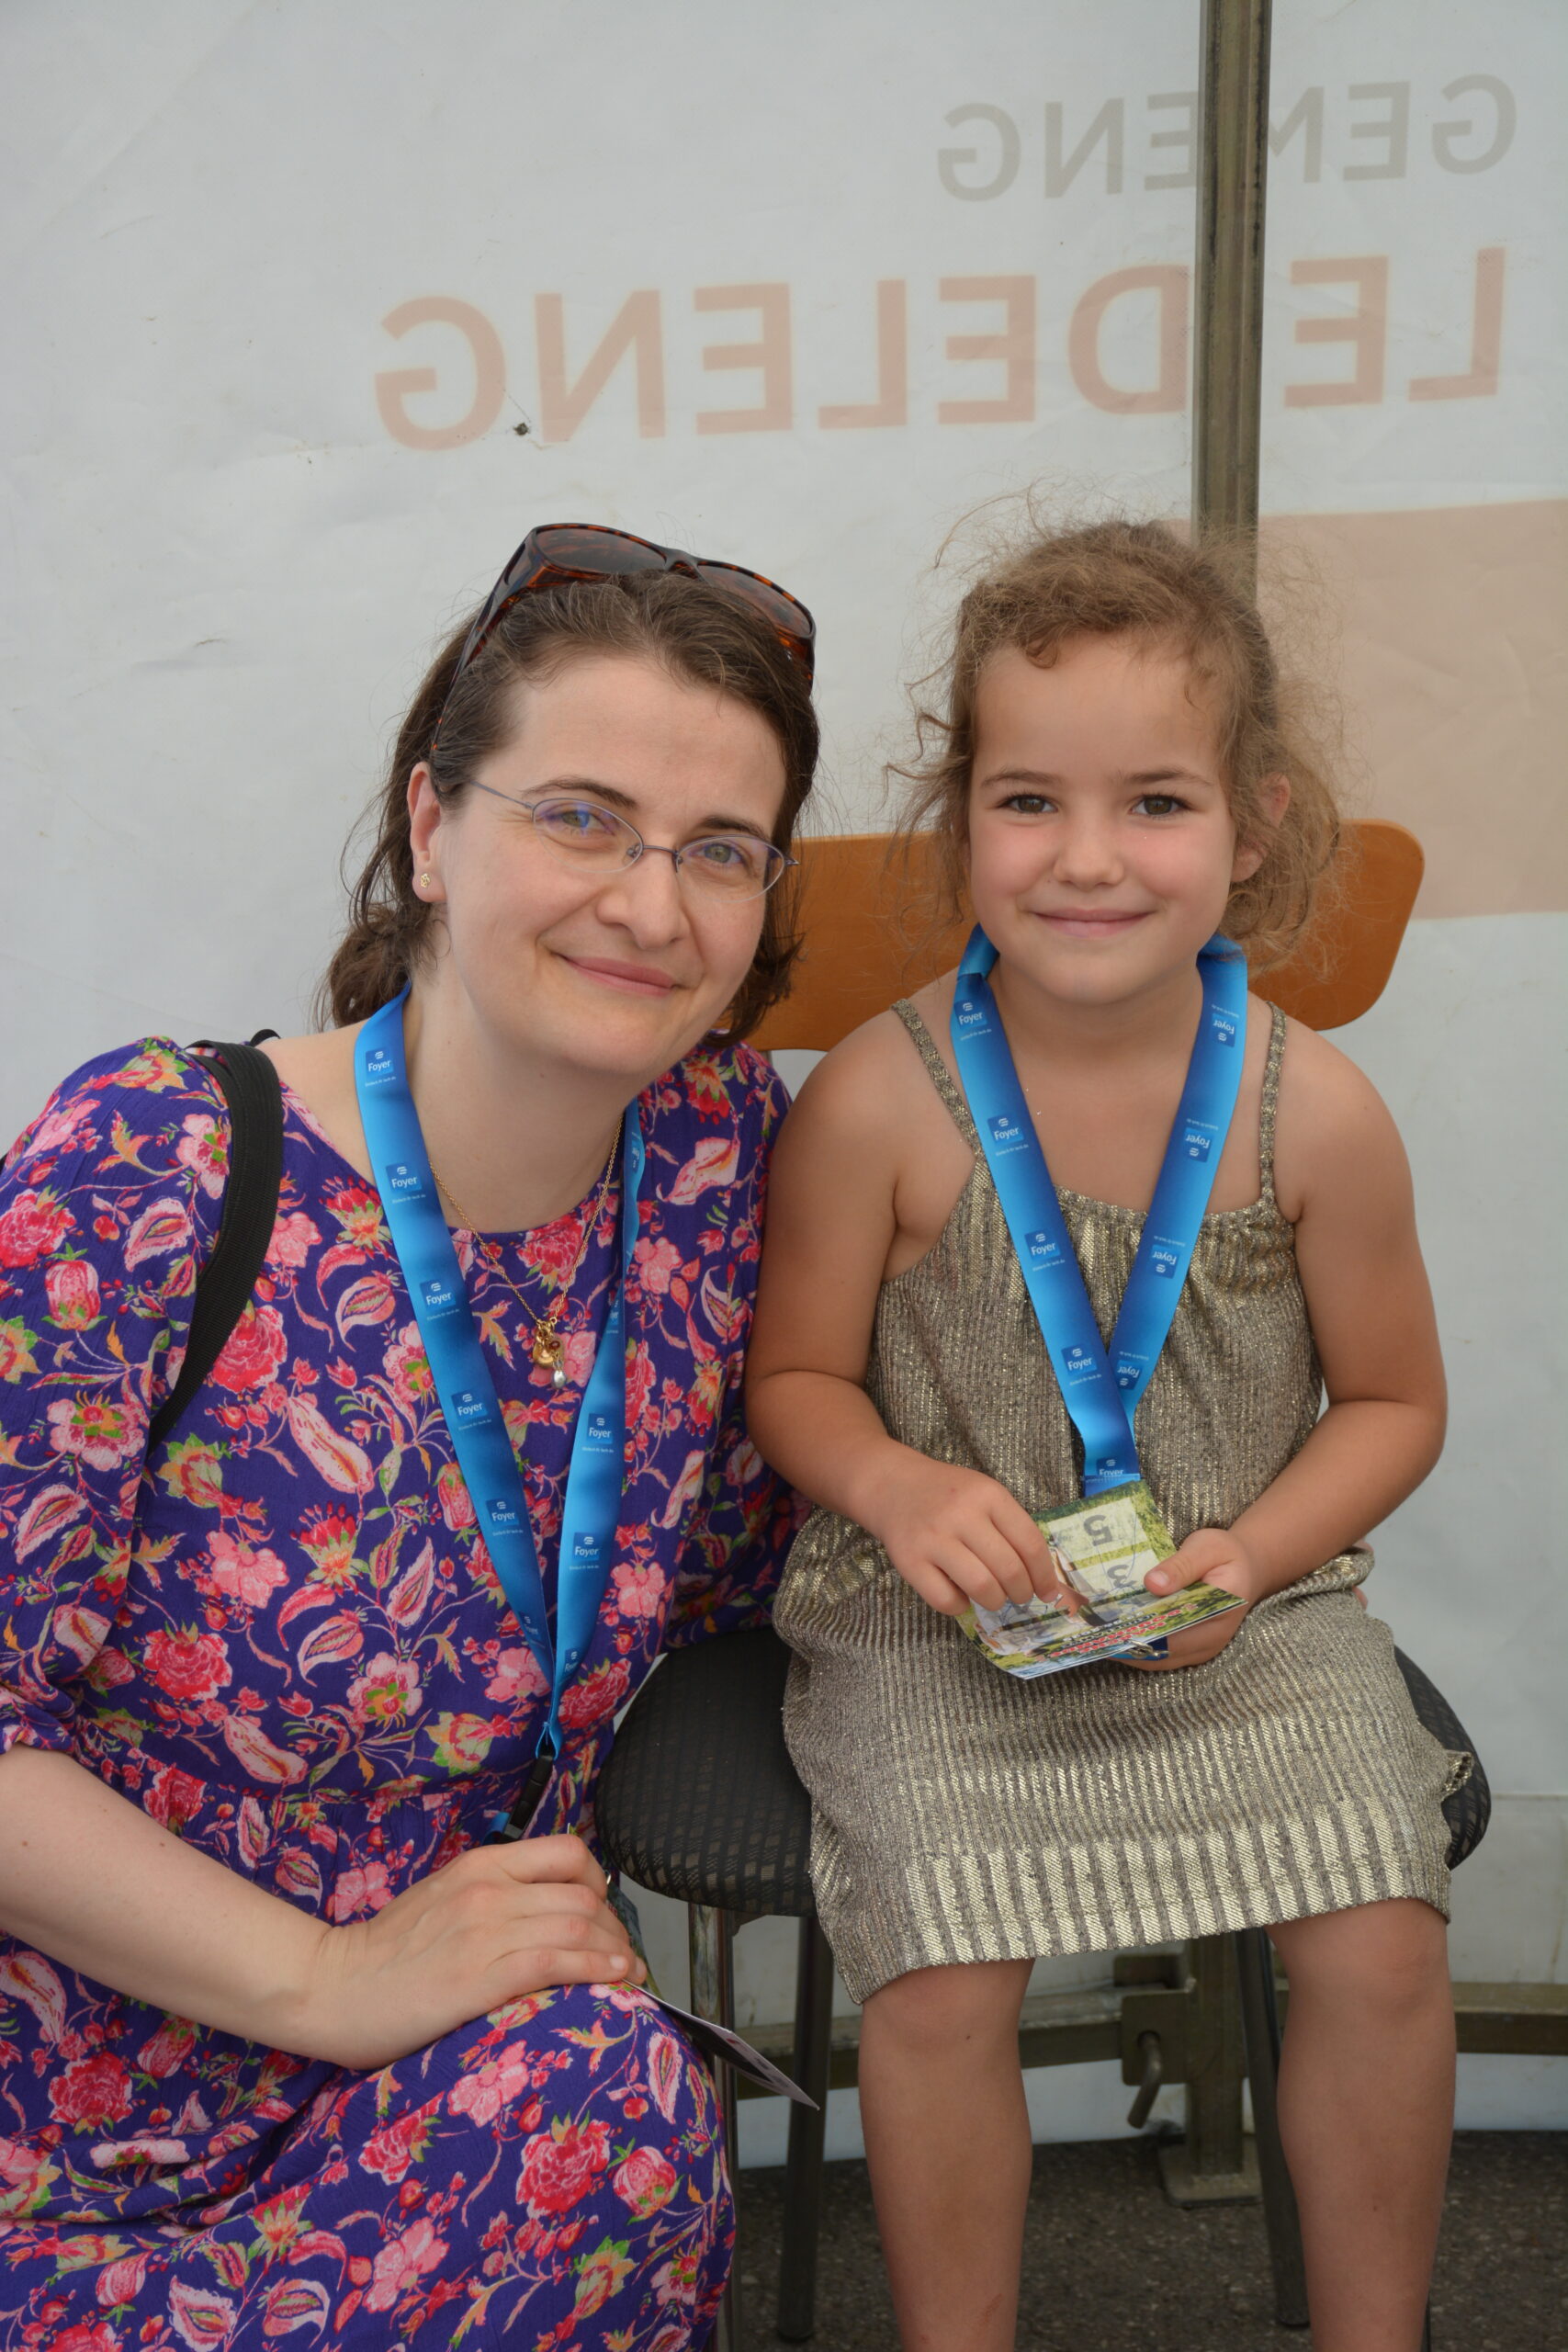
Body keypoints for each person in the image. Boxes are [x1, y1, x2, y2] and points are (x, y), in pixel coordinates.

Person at [0, 525, 818, 2346]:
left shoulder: (715, 1166)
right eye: (583, 817)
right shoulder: (154, 1167)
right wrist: (327, 1975)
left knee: (619, 2107)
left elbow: (767, 1548)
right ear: (432, 826)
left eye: (719, 849)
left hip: (461, 2077)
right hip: (67, 2109)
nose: (651, 906)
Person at [748, 519, 1463, 2352]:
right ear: (959, 821)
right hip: (937, 1619)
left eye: (1153, 801)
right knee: (937, 1974)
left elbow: (1395, 1404)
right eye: (1027, 801)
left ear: (1253, 824)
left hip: (1251, 1610)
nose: (1085, 857)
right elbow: (794, 1382)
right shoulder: (872, 1103)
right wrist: (897, 1482)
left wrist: (1257, 1553)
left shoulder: (1315, 1113)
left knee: (1381, 1937)